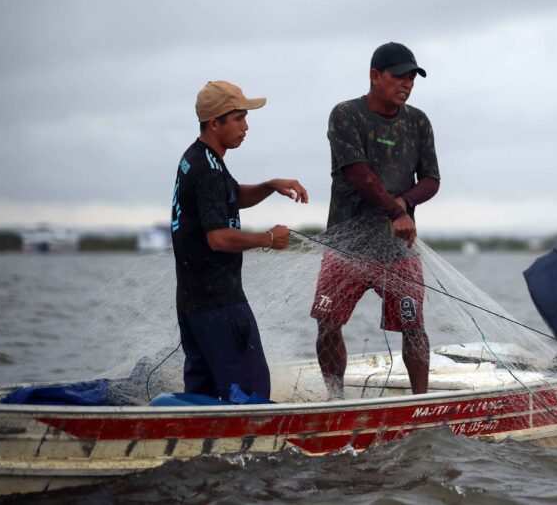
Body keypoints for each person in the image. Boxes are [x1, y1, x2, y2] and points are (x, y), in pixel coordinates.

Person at [311, 42, 441, 397]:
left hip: (398, 248)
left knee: (415, 325)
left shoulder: (418, 122)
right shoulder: (346, 115)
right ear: (375, 76)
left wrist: (406, 201)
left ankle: (419, 401)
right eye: (399, 76)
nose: (407, 83)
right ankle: (335, 398)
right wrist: (396, 211)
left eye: (412, 77)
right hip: (345, 245)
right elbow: (358, 173)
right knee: (328, 323)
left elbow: (431, 180)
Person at [171, 80, 309, 401]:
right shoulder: (208, 171)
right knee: (252, 392)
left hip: (193, 303)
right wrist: (269, 238)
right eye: (238, 119)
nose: (246, 127)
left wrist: (271, 185)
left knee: (202, 396)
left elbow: (231, 197)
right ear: (214, 122)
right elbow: (218, 238)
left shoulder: (199, 159)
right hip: (220, 303)